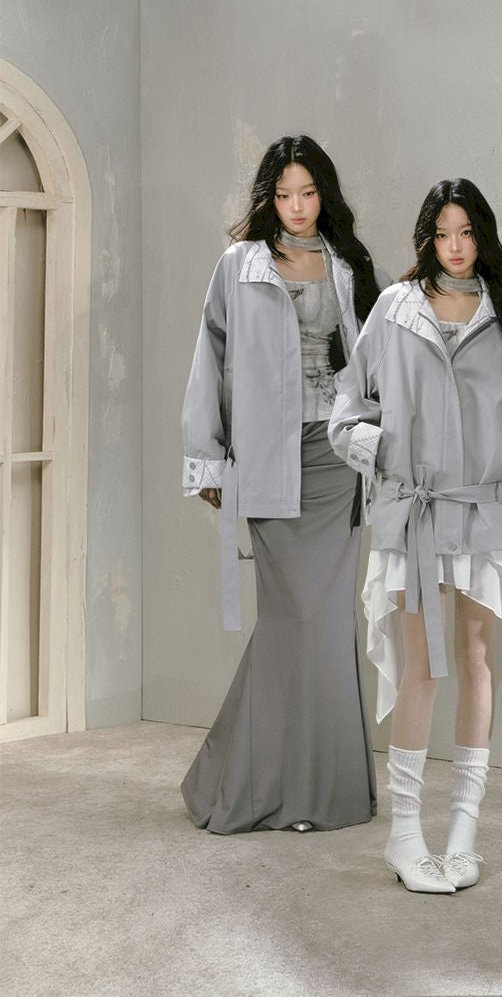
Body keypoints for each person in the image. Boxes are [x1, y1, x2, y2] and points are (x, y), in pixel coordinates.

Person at [329, 178, 502, 891]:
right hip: (417, 515)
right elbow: (346, 408)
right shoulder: (396, 309)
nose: (455, 248)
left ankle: (463, 831)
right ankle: (405, 837)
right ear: (426, 239)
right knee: (423, 666)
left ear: (482, 237)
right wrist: (384, 453)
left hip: (485, 513)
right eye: (442, 234)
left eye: (466, 233)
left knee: (477, 659)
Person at [180, 134, 388, 833]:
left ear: (324, 195)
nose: (297, 207)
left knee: (326, 624)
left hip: (337, 457)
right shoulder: (239, 265)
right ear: (268, 198)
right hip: (268, 457)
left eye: (308, 193)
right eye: (284, 194)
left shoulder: (350, 264)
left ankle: (323, 794)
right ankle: (248, 785)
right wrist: (207, 458)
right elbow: (209, 358)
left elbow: (381, 363)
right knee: (289, 620)